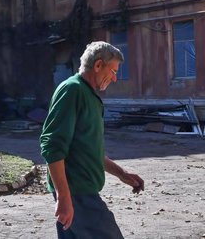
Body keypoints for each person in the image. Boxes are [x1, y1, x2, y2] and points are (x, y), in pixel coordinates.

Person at [40, 41, 144, 239]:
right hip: (78, 194)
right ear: (98, 65)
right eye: (113, 71)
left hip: (79, 193)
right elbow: (52, 145)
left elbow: (86, 150)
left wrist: (121, 173)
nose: (114, 78)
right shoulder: (73, 91)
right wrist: (64, 197)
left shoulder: (87, 95)